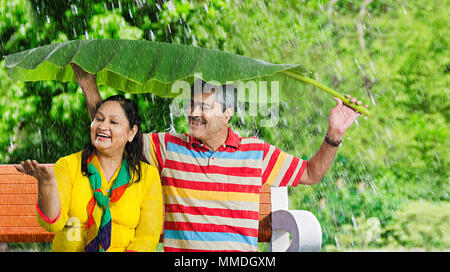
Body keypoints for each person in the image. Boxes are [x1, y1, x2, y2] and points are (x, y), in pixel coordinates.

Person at [72, 64, 368, 252]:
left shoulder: (257, 153)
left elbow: (311, 174)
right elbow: (114, 135)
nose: (193, 113)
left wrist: (334, 133)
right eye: (190, 106)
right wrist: (90, 89)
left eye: (204, 107)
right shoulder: (169, 147)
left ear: (228, 114)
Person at [15, 95, 163, 252]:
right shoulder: (68, 165)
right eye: (99, 119)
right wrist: (47, 185)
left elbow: (147, 238)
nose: (102, 126)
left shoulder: (147, 175)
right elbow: (52, 224)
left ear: (131, 133)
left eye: (113, 122)